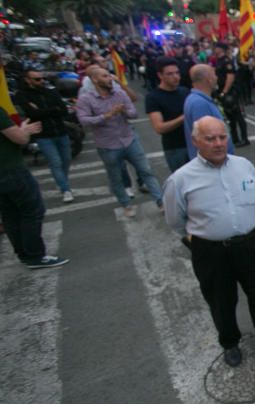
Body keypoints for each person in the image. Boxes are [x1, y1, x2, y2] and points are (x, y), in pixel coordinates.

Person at [163, 116, 255, 370]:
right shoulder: (180, 179)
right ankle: (230, 344)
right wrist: (204, 238)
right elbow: (175, 221)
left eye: (222, 137)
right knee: (221, 302)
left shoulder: (244, 165)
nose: (218, 143)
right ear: (195, 141)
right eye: (210, 138)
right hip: (211, 251)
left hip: (251, 244)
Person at [75, 66, 163, 218]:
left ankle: (161, 202)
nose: (110, 79)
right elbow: (83, 121)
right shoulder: (86, 99)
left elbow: (134, 113)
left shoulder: (119, 93)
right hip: (107, 145)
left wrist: (124, 111)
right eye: (105, 76)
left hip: (129, 139)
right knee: (115, 177)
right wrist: (106, 115)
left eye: (109, 76)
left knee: (146, 171)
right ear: (95, 80)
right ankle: (126, 204)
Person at [0, 109, 68, 269]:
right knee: (31, 211)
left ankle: (24, 254)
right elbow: (21, 139)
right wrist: (26, 129)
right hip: (10, 169)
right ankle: (35, 255)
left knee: (10, 215)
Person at [15, 70, 74, 202]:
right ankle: (65, 189)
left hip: (61, 131)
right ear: (28, 80)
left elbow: (62, 110)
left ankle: (62, 183)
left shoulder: (50, 91)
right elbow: (32, 114)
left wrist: (43, 111)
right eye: (36, 79)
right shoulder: (23, 95)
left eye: (42, 78)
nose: (41, 81)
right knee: (56, 162)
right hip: (44, 135)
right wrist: (52, 110)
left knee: (66, 160)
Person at [145, 57, 191, 173]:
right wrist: (184, 117)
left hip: (193, 143)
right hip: (175, 148)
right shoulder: (153, 97)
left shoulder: (184, 91)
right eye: (170, 74)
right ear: (160, 75)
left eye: (177, 73)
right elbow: (159, 128)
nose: (175, 77)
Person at [184, 63, 234, 160]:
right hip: (214, 163)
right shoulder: (199, 103)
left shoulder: (196, 99)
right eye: (214, 75)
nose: (216, 78)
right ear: (209, 79)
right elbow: (206, 138)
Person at [214, 44, 248, 147]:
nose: (214, 49)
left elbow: (230, 77)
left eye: (216, 47)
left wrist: (224, 91)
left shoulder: (226, 61)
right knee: (230, 117)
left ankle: (244, 138)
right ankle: (235, 139)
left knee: (238, 115)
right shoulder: (218, 61)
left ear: (221, 49)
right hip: (222, 91)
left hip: (230, 92)